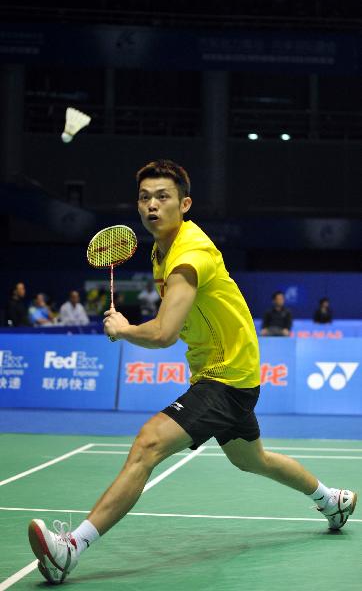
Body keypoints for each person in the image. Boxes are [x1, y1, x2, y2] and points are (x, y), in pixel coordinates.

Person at [28, 159, 357, 584]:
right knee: (253, 460)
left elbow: (164, 333)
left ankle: (71, 548)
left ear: (184, 203)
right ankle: (332, 500)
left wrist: (124, 329)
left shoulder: (188, 255)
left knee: (148, 444)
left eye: (162, 197)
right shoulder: (159, 251)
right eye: (144, 197)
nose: (152, 205)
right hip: (224, 373)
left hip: (226, 375)